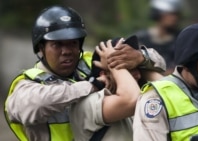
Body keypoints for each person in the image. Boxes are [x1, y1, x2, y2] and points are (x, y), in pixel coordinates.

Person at [4, 5, 166, 141]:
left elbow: (159, 64)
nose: (67, 51)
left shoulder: (89, 61)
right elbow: (34, 105)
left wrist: (141, 57)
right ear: (41, 48)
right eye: (57, 45)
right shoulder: (27, 84)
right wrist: (92, 85)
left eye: (73, 43)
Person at [69, 36, 165, 141]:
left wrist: (140, 59)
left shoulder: (139, 95)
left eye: (137, 68)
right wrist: (113, 62)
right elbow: (131, 100)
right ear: (104, 75)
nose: (138, 75)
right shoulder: (87, 103)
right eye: (128, 70)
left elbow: (168, 95)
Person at [135, 0, 184, 75]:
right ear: (157, 14)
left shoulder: (181, 37)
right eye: (170, 14)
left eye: (176, 14)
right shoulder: (141, 38)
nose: (174, 18)